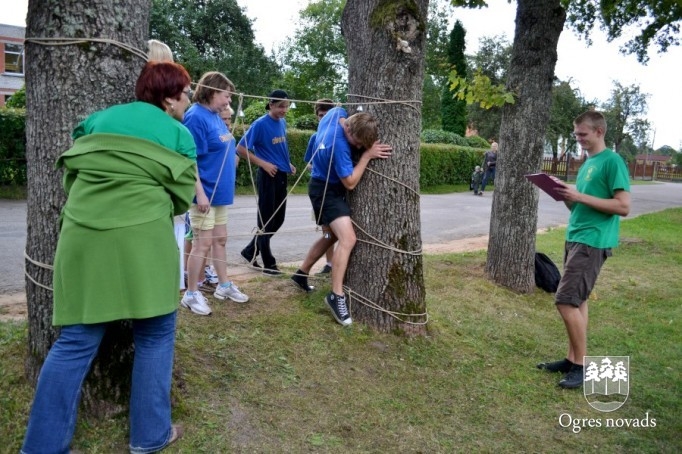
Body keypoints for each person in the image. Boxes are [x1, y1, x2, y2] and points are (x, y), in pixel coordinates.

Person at [21, 61, 196, 453]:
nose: (187, 100)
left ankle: (41, 447)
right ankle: (150, 437)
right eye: (185, 92)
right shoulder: (177, 133)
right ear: (169, 98)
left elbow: (71, 173)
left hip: (83, 236)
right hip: (144, 241)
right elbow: (182, 198)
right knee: (155, 334)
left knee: (75, 341)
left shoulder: (97, 120)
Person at [536, 110, 630, 389]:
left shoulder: (612, 162)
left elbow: (623, 206)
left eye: (583, 134)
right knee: (579, 300)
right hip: (576, 236)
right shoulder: (589, 163)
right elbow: (580, 205)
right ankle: (571, 358)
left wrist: (579, 195)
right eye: (576, 134)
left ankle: (582, 365)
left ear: (599, 132)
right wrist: (565, 196)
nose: (578, 139)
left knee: (565, 300)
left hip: (593, 241)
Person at [291, 107, 392, 326]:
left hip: (322, 186)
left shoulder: (336, 114)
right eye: (356, 143)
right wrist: (366, 156)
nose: (356, 147)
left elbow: (339, 110)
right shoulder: (340, 147)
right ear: (349, 130)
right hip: (327, 192)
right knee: (348, 239)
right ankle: (336, 296)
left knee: (332, 237)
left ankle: (301, 273)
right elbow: (350, 182)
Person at [181, 71, 249, 316]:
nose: (228, 102)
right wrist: (199, 193)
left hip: (219, 194)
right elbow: (189, 159)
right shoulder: (195, 117)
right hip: (204, 194)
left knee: (220, 239)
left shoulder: (214, 116)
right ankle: (191, 293)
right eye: (225, 96)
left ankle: (224, 285)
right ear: (211, 91)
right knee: (203, 243)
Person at [237, 89, 296, 275]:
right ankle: (269, 264)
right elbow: (241, 148)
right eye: (280, 106)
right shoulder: (260, 124)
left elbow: (279, 148)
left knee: (278, 219)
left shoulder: (283, 122)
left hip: (281, 175)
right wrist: (264, 164)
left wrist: (288, 164)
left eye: (286, 106)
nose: (284, 110)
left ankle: (249, 251)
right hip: (268, 177)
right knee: (266, 221)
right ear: (271, 105)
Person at [304, 98, 336, 275]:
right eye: (320, 115)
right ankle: (329, 263)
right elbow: (308, 162)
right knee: (326, 230)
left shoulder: (337, 135)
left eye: (326, 115)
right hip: (320, 188)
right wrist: (317, 165)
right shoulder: (315, 137)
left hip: (337, 187)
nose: (323, 118)